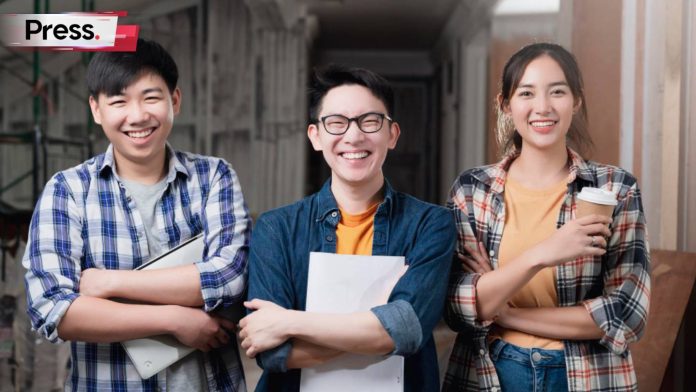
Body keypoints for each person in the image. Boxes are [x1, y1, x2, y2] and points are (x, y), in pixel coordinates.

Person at [23, 38, 251, 391]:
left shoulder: (213, 177)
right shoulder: (68, 190)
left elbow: (229, 276)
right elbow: (53, 308)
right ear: (96, 110)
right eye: (118, 101)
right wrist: (175, 318)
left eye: (151, 97)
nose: (138, 115)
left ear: (175, 100)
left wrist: (110, 283)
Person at [443, 43, 650, 392]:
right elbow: (457, 306)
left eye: (557, 91)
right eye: (526, 93)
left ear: (576, 100)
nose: (543, 107)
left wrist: (506, 312)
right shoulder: (472, 190)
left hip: (587, 378)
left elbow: (626, 313)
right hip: (491, 372)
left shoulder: (615, 188)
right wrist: (543, 254)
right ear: (505, 104)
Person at [238, 65, 456, 391]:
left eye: (369, 121)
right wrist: (379, 330)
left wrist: (289, 322)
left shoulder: (430, 224)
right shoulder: (276, 228)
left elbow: (408, 330)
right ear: (315, 136)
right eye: (337, 122)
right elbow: (271, 351)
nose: (353, 136)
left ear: (392, 134)